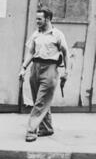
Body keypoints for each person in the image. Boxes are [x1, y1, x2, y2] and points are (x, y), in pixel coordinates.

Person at [19, 8, 69, 142]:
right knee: (39, 101)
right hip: (35, 68)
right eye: (36, 19)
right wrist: (23, 68)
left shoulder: (57, 34)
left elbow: (65, 53)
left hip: (50, 68)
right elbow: (31, 52)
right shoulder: (36, 34)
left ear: (47, 19)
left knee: (41, 102)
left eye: (39, 19)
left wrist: (66, 72)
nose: (37, 21)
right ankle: (46, 128)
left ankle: (31, 130)